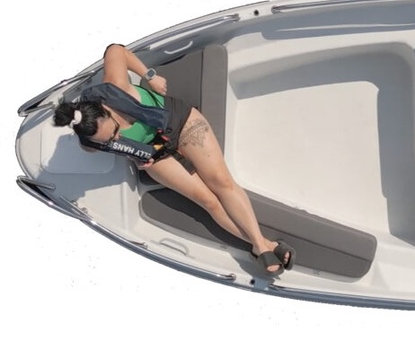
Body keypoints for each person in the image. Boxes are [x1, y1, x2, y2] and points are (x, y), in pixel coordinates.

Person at [53, 43, 295, 276]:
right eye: (110, 140)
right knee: (207, 201)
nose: (116, 138)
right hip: (153, 151)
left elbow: (115, 50)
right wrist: (134, 157)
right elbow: (100, 148)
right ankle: (264, 245)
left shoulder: (115, 85)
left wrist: (150, 76)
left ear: (105, 110)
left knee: (221, 182)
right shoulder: (91, 142)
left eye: (115, 131)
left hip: (178, 122)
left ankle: (260, 246)